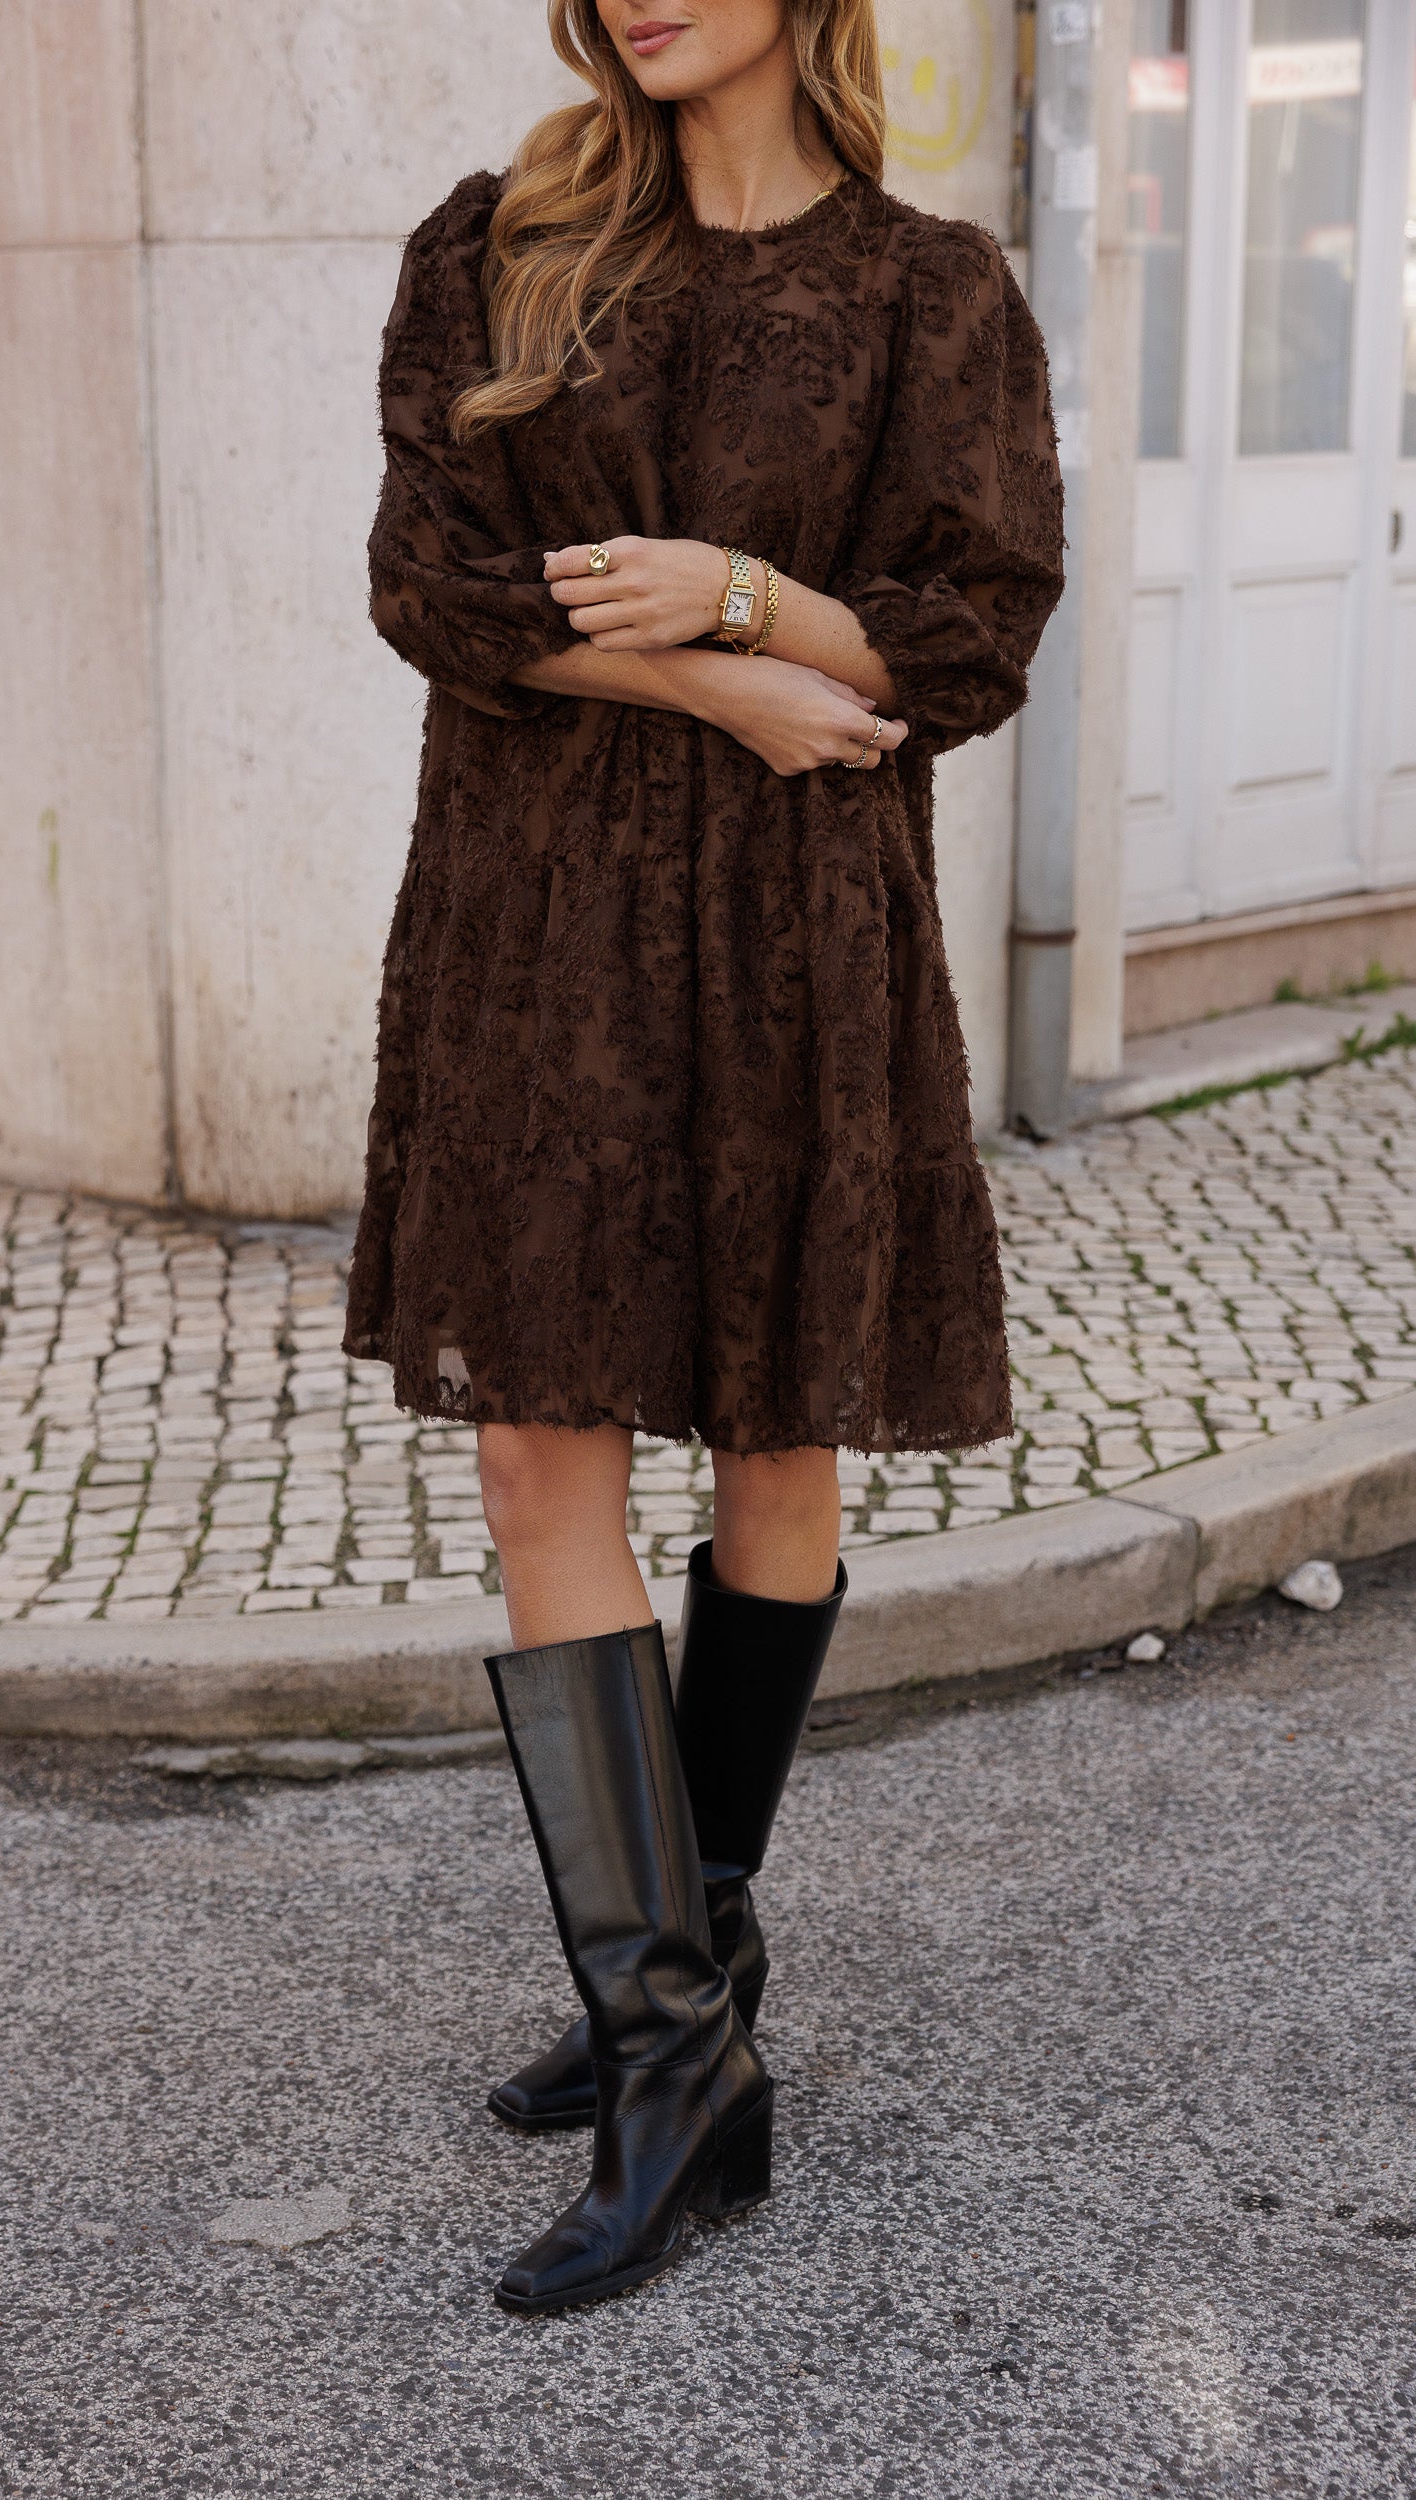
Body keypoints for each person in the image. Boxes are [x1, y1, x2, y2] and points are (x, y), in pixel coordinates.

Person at [344, 0, 1064, 2315]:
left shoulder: (931, 290)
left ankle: (686, 1974)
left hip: (794, 941)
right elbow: (435, 583)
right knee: (536, 1445)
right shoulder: (497, 242)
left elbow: (967, 637)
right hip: (538, 928)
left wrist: (738, 594)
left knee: (777, 1433)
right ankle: (675, 2046)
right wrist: (725, 675)